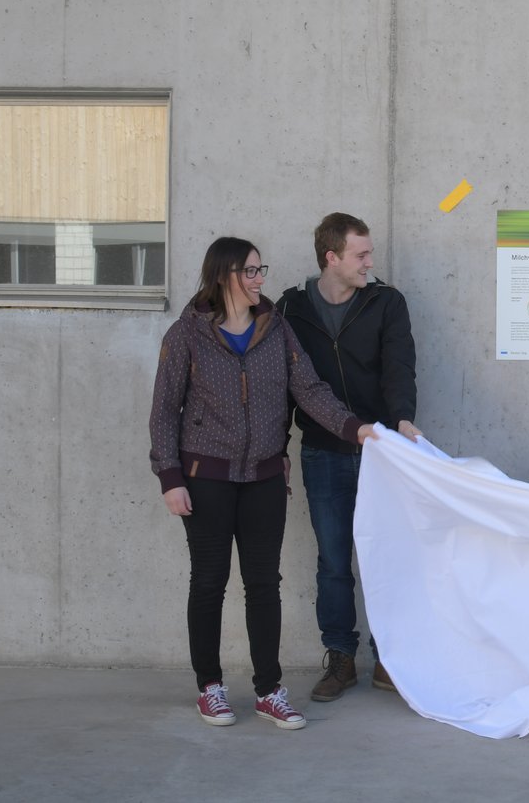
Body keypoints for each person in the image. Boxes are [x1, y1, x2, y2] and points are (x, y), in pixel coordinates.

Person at [149, 236, 378, 730]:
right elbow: (165, 411)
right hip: (204, 477)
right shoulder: (186, 334)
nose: (259, 279)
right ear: (224, 275)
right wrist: (170, 477)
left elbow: (310, 389)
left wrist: (355, 428)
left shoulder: (277, 330)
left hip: (265, 479)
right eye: (250, 271)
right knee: (209, 583)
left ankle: (269, 690)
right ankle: (209, 687)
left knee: (263, 586)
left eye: (260, 270)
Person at [276, 212, 420, 703]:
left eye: (370, 253)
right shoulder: (291, 309)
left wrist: (401, 420)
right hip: (324, 451)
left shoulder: (386, 302)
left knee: (386, 557)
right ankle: (340, 659)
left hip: (382, 452)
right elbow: (280, 385)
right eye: (361, 254)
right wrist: (278, 450)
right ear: (331, 257)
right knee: (334, 560)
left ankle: (388, 660)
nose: (370, 262)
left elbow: (400, 368)